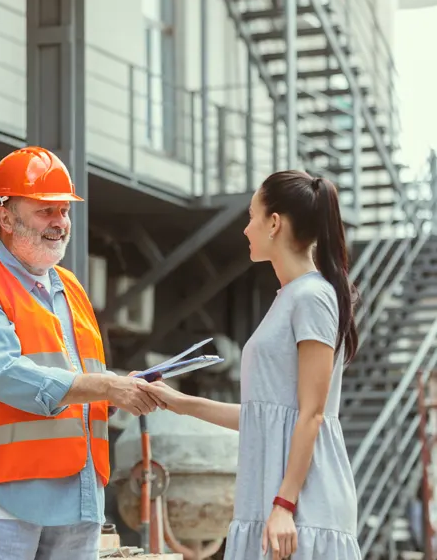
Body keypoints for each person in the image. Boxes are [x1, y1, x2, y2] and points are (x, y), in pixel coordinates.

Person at [0, 146, 165, 560]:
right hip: (0, 503)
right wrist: (103, 386)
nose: (59, 222)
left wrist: (117, 389)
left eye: (64, 211)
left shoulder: (70, 288)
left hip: (77, 497)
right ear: (5, 216)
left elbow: (75, 372)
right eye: (45, 211)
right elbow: (4, 373)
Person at [147, 170, 362, 560]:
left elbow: (312, 413)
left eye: (251, 216)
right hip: (273, 500)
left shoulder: (312, 297)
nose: (246, 229)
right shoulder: (290, 298)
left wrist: (285, 504)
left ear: (274, 223)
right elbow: (263, 416)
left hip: (301, 505)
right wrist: (175, 401)